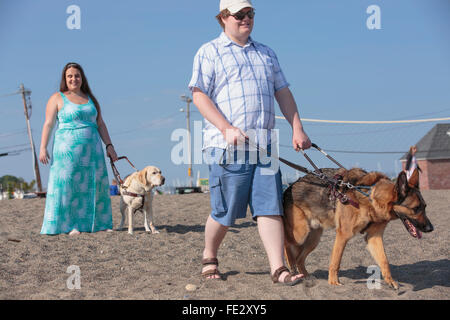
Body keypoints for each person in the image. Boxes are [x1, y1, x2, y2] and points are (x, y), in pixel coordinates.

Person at [188, 0, 311, 285]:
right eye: (239, 14)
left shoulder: (267, 53)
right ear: (223, 18)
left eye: (250, 13)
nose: (246, 18)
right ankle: (209, 255)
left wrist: (297, 128)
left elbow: (283, 92)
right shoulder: (209, 52)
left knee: (270, 207)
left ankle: (278, 268)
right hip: (227, 145)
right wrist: (226, 127)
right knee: (226, 211)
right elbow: (198, 95)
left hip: (265, 144)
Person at [39, 62, 118, 235]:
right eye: (70, 76)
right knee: (67, 186)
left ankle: (100, 224)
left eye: (77, 75)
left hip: (93, 152)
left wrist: (109, 146)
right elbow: (48, 124)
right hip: (66, 152)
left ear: (82, 78)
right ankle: (70, 225)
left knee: (95, 185)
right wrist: (43, 147)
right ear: (64, 79)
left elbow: (101, 124)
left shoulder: (91, 99)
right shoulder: (57, 98)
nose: (73, 79)